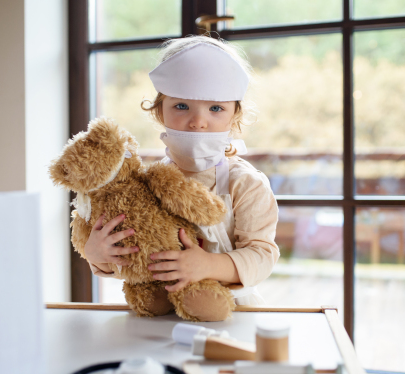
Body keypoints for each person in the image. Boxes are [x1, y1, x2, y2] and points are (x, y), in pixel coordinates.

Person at [83, 35, 279, 312]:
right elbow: (130, 256)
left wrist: (208, 265)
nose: (198, 121)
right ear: (159, 111)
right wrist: (97, 255)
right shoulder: (143, 183)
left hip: (231, 316)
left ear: (234, 115)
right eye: (182, 106)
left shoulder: (246, 184)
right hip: (159, 317)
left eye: (215, 108)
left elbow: (262, 256)